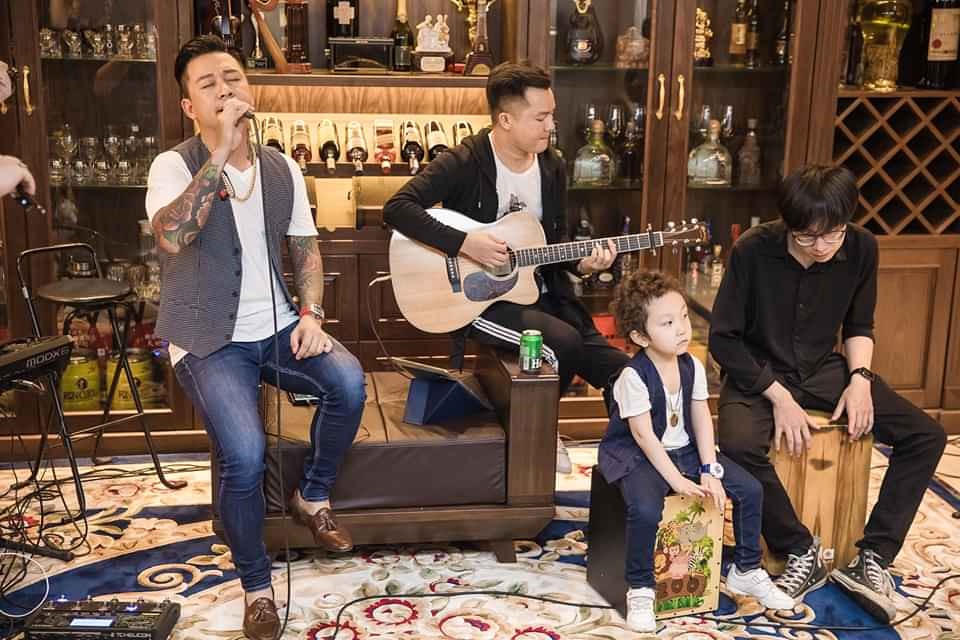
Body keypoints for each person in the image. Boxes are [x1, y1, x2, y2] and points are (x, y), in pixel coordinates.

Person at [145, 36, 365, 640]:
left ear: (250, 87)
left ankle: (313, 496)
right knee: (243, 455)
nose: (225, 90)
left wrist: (311, 314)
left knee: (348, 382)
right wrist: (219, 150)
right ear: (189, 106)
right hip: (206, 338)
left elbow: (305, 248)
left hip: (278, 326)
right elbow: (172, 237)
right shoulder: (172, 166)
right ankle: (257, 588)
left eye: (232, 78)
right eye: (208, 84)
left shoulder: (281, 167)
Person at [709, 164, 946, 622]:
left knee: (925, 436)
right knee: (737, 444)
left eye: (832, 234)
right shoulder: (752, 249)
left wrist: (861, 379)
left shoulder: (862, 247)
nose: (821, 246)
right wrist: (779, 397)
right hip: (757, 372)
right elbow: (724, 339)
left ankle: (873, 557)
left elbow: (859, 324)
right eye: (807, 237)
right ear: (788, 224)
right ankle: (800, 549)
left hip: (823, 369)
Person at [383, 62, 629, 473]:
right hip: (478, 301)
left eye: (552, 115)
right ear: (505, 119)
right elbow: (397, 208)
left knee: (623, 371)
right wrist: (467, 243)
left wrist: (583, 263)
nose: (551, 126)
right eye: (540, 117)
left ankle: (623, 461)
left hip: (542, 293)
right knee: (563, 344)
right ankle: (540, 437)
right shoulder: (464, 160)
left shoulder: (552, 166)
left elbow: (553, 243)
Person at [599, 270, 795, 633]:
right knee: (645, 509)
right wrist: (677, 481)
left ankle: (746, 570)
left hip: (685, 450)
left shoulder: (691, 365)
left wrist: (708, 468)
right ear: (640, 336)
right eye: (667, 323)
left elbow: (702, 417)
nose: (682, 329)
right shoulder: (633, 377)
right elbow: (643, 437)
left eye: (684, 317)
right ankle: (641, 588)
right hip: (638, 455)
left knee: (750, 489)